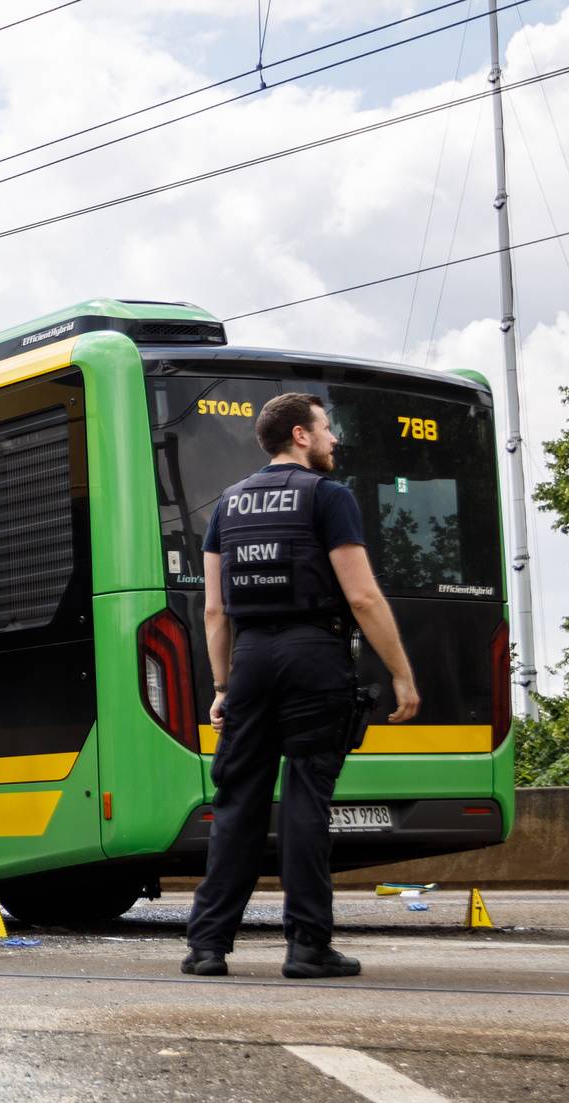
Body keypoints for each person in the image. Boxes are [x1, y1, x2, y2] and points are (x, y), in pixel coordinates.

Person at [184, 393, 420, 979]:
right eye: (327, 428)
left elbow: (215, 612)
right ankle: (308, 947)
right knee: (307, 800)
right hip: (314, 654)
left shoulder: (227, 506)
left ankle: (208, 946)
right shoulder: (328, 497)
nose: (335, 439)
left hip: (252, 660)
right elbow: (362, 595)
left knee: (237, 801)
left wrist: (222, 686)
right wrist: (401, 672)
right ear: (301, 436)